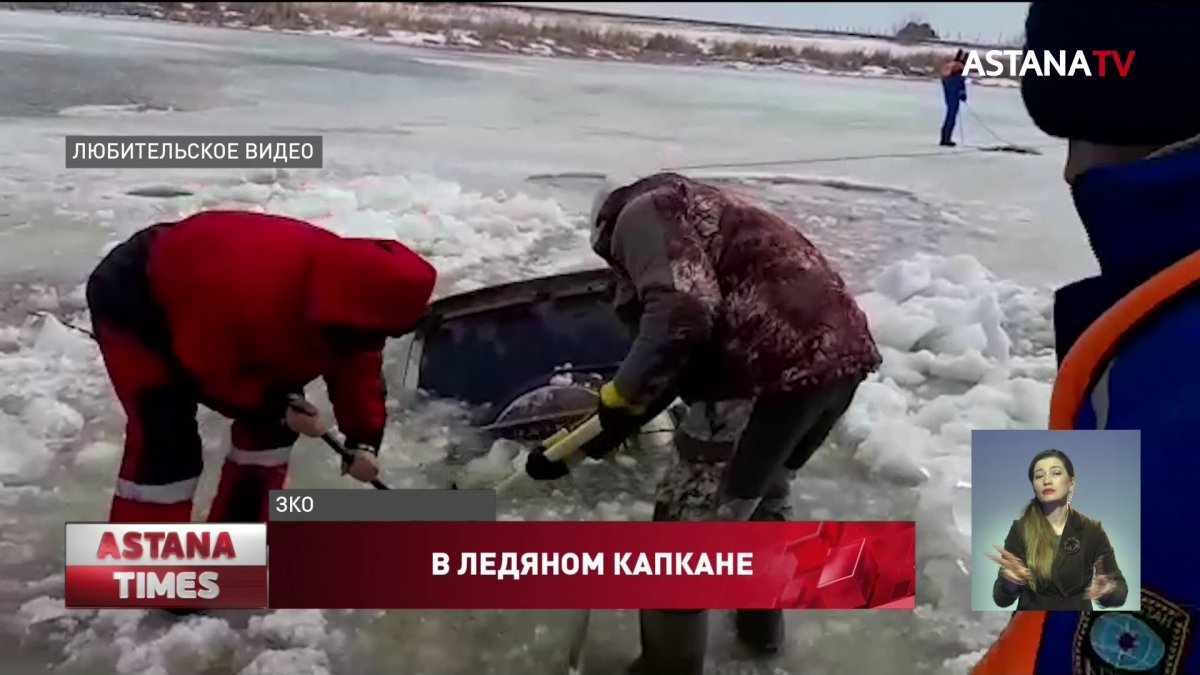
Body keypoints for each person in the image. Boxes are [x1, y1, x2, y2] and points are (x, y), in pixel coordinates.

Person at [524, 172, 881, 674]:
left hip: (764, 375)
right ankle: (761, 646)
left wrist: (618, 393)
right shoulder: (702, 210)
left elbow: (683, 312)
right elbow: (673, 366)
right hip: (836, 362)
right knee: (759, 501)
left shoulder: (639, 216)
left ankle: (667, 668)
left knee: (684, 539)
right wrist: (584, 443)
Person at [971, 3, 1200, 674]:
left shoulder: (1169, 363)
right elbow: (1054, 608)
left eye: (1081, 136)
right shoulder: (1140, 315)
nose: (1070, 174)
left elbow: (1102, 639)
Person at [86, 210, 437, 524]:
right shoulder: (246, 293)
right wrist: (276, 409)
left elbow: (357, 360)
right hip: (141, 295)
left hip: (232, 308)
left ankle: (235, 545)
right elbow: (208, 370)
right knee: (166, 437)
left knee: (271, 434)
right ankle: (144, 574)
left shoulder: (353, 294)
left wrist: (364, 442)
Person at [986, 449, 1127, 612]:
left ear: (1071, 483)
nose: (1047, 480)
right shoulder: (1020, 530)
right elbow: (1000, 599)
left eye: (1056, 473)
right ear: (1033, 485)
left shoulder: (1092, 530)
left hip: (1075, 624)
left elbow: (1120, 591)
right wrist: (1011, 584)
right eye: (1039, 476)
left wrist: (1108, 590)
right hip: (1031, 622)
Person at [940, 49, 967, 146]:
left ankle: (945, 137)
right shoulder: (958, 67)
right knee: (951, 115)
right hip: (953, 94)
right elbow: (959, 81)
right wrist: (962, 92)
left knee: (950, 115)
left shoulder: (949, 66)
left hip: (949, 93)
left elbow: (945, 80)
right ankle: (946, 139)